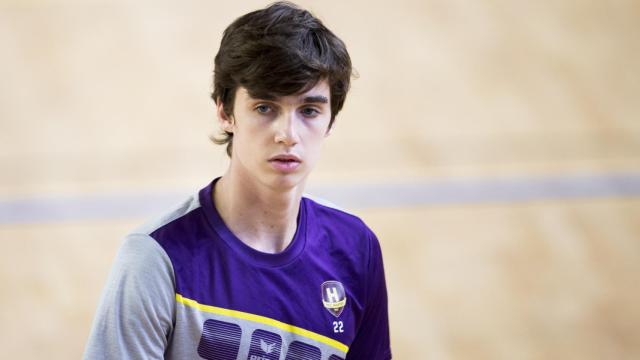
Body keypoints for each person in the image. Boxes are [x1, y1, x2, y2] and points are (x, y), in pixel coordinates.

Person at [84, 2, 391, 359]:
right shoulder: (155, 258)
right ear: (225, 112)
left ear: (331, 120)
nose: (288, 134)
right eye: (265, 108)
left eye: (309, 111)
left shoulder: (355, 249)